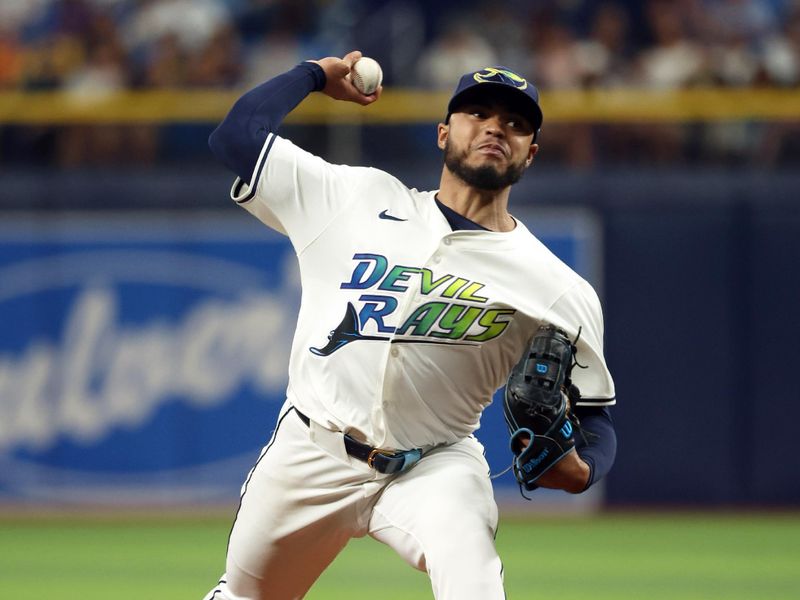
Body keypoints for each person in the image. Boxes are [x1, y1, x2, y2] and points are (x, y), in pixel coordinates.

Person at [204, 51, 617, 600]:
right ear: (444, 133)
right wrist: (314, 76)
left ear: (531, 154)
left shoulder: (557, 287)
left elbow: (596, 418)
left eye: (516, 124)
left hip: (434, 466)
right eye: (478, 114)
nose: (496, 127)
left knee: (474, 584)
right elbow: (236, 137)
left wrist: (582, 469)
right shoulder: (354, 198)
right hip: (311, 450)